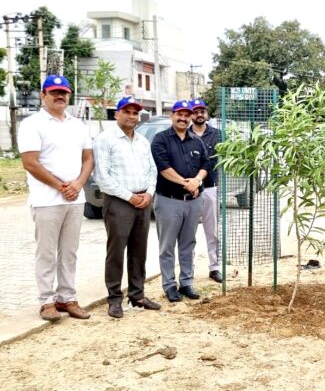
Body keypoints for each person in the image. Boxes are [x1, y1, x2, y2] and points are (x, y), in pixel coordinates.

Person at [18, 75, 94, 321]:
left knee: (69, 252)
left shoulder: (78, 125)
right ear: (43, 95)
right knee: (47, 253)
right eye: (54, 92)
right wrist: (62, 186)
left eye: (64, 92)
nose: (60, 96)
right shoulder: (32, 124)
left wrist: (79, 183)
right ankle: (46, 301)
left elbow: (88, 159)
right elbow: (30, 163)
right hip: (46, 200)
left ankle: (67, 298)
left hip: (75, 199)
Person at [93, 96, 160, 318]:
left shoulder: (142, 141)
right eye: (127, 112)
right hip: (119, 202)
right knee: (116, 252)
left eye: (135, 113)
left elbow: (152, 170)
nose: (132, 116)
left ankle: (137, 295)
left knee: (139, 251)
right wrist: (130, 197)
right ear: (117, 114)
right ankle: (114, 299)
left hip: (143, 201)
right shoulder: (105, 139)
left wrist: (149, 193)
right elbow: (102, 177)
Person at [150, 100, 211, 302]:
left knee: (188, 244)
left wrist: (198, 180)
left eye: (187, 115)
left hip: (193, 202)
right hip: (169, 200)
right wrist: (187, 183)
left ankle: (187, 283)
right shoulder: (161, 139)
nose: (183, 118)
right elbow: (163, 167)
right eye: (180, 114)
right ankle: (169, 285)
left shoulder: (196, 140)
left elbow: (206, 163)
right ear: (172, 115)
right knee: (167, 246)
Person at [189, 98, 227, 284]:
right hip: (188, 190)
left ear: (207, 113)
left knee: (212, 231)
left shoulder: (218, 134)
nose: (199, 114)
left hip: (211, 187)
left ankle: (214, 267)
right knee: (188, 232)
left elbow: (228, 156)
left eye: (202, 110)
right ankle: (189, 270)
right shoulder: (184, 134)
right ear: (191, 114)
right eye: (196, 111)